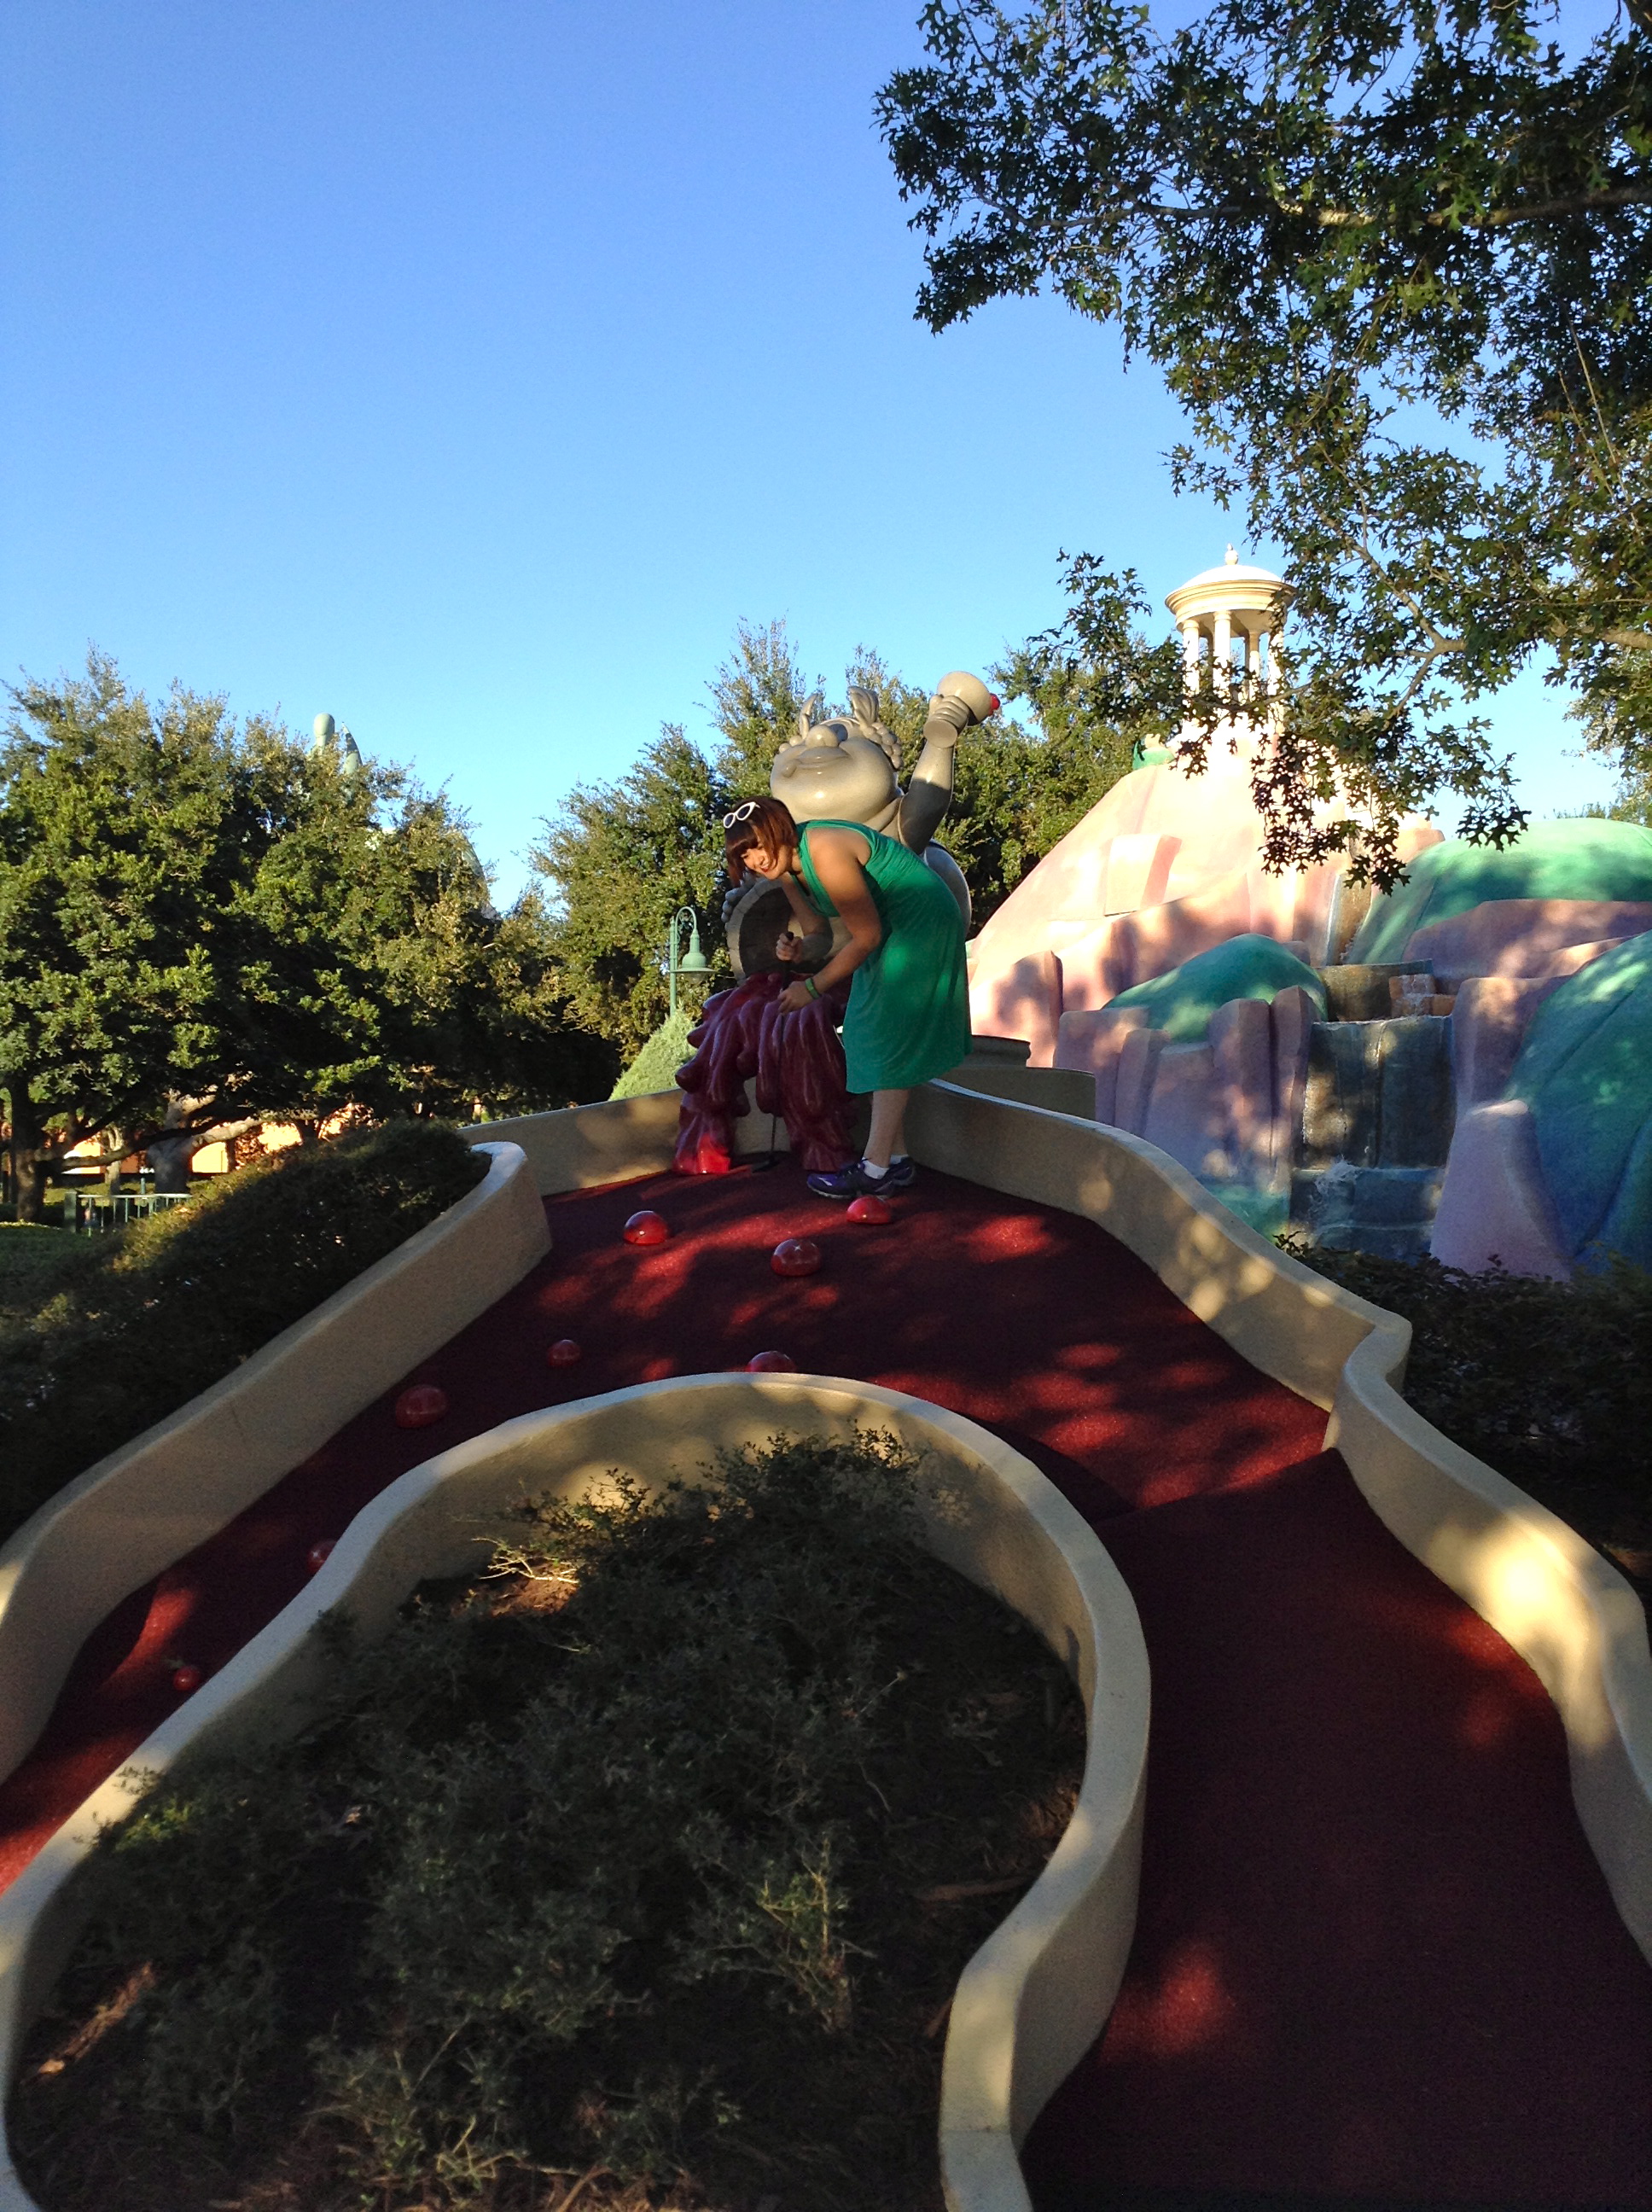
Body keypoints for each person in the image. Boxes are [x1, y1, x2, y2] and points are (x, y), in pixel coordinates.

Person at [722, 794, 970, 1198]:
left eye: (758, 846)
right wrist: (799, 950)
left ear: (779, 831)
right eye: (744, 855)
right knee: (862, 1031)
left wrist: (812, 988)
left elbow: (867, 937)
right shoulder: (786, 871)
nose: (755, 861)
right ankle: (896, 1160)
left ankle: (874, 1169)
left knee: (888, 1034)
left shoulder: (824, 849)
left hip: (921, 922)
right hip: (889, 928)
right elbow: (819, 935)